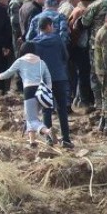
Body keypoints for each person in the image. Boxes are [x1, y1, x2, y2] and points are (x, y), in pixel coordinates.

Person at [0, 42, 52, 148]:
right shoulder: (42, 62)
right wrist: (48, 90)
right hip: (42, 92)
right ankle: (32, 142)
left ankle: (47, 131)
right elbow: (49, 79)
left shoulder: (20, 61)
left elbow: (8, 73)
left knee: (32, 119)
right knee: (30, 116)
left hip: (29, 91)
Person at [33, 17, 72, 148]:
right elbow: (65, 56)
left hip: (43, 79)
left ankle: (49, 139)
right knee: (62, 109)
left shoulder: (35, 42)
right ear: (49, 26)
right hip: (59, 77)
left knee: (46, 109)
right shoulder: (57, 39)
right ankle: (66, 139)